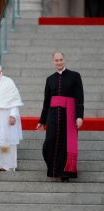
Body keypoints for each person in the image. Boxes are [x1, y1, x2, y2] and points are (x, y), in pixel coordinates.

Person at [36, 52, 84, 182]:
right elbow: (46, 101)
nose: (59, 62)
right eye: (56, 60)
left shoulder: (75, 76)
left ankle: (64, 174)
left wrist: (79, 117)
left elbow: (79, 98)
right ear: (53, 62)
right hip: (52, 114)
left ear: (64, 60)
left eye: (61, 60)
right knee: (50, 141)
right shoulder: (50, 79)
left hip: (69, 114)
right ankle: (52, 168)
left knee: (65, 144)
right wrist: (42, 120)